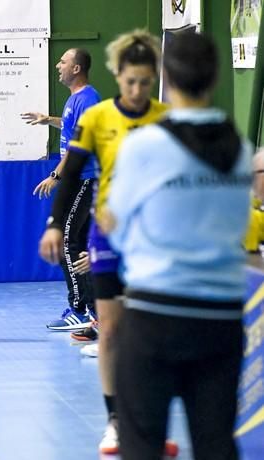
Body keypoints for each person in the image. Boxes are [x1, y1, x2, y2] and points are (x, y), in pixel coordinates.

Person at [103, 31, 252, 460]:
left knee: (142, 444)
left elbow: (115, 224)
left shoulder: (145, 146)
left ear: (164, 77)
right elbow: (239, 223)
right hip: (221, 318)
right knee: (215, 444)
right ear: (216, 76)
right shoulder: (241, 151)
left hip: (155, 315)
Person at [38, 30, 176, 456]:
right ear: (118, 77)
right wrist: (55, 225)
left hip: (151, 237)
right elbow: (72, 173)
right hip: (108, 232)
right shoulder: (97, 118)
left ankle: (152, 423)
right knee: (113, 330)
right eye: (129, 80)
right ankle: (116, 421)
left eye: (144, 81)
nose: (136, 89)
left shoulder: (164, 120)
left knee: (152, 332)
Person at [21, 48, 100, 332]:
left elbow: (80, 146)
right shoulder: (75, 100)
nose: (58, 65)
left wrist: (55, 175)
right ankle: (91, 308)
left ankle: (79, 309)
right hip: (78, 178)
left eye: (63, 62)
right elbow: (70, 127)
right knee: (76, 242)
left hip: (85, 178)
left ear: (76, 69)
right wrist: (48, 119)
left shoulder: (88, 99)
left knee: (68, 240)